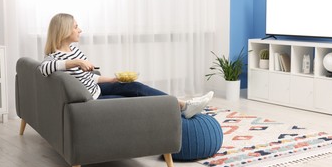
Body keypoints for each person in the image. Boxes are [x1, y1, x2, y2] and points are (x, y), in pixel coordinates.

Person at [39, 13, 213, 118]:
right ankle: (181, 107)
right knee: (134, 99)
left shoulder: (74, 50)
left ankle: (181, 104)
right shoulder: (55, 56)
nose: (80, 30)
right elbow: (44, 68)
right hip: (92, 99)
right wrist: (76, 62)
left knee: (133, 85)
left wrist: (113, 80)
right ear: (64, 31)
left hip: (96, 89)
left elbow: (89, 77)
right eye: (76, 27)